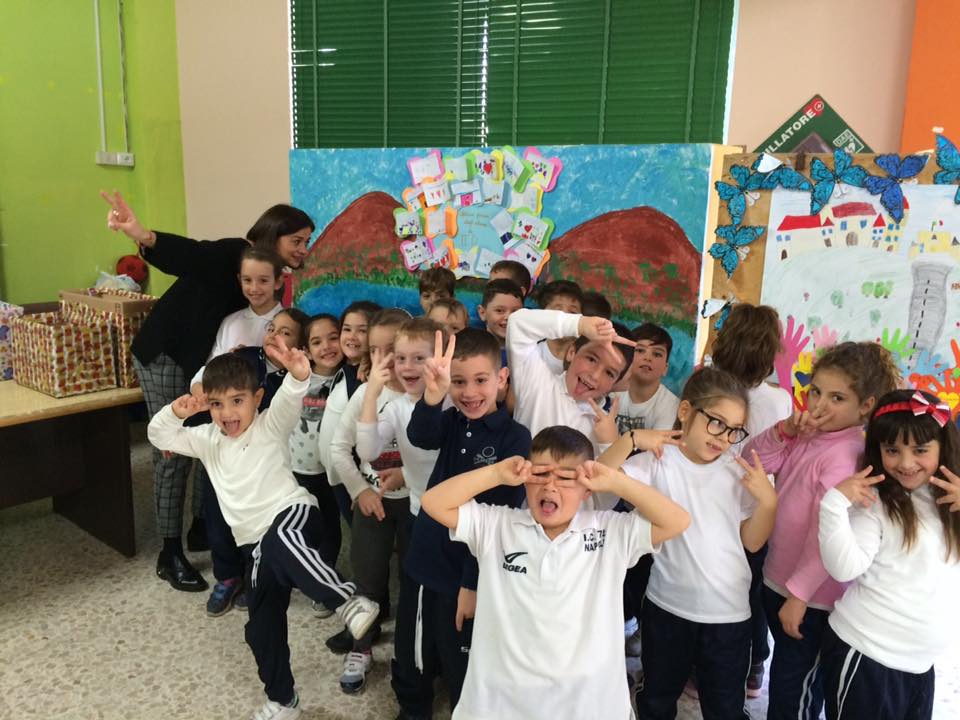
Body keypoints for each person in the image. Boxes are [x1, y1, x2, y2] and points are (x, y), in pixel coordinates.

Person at [146, 337, 379, 720]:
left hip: (293, 515)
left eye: (237, 400)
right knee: (260, 629)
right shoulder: (207, 440)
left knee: (280, 539)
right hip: (254, 546)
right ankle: (283, 700)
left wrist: (299, 373)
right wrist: (177, 410)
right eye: (217, 404)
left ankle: (346, 599)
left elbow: (291, 395)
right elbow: (159, 436)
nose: (227, 413)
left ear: (256, 398)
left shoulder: (270, 423)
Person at [102, 190, 314, 592]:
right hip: (167, 355)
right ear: (273, 235)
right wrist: (143, 236)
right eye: (297, 240)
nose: (304, 249)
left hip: (204, 366)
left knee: (216, 436)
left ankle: (201, 526)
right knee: (173, 452)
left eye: (307, 241)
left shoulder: (274, 284)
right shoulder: (237, 252)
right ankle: (169, 552)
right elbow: (192, 255)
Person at [420, 425, 690, 720]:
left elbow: (676, 521)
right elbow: (433, 502)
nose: (550, 486)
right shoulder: (497, 526)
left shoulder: (610, 531)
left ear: (588, 487)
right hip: (499, 704)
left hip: (589, 706)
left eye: (565, 478)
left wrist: (615, 481)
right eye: (540, 474)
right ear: (525, 478)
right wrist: (496, 473)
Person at [606, 367, 778, 720]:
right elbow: (600, 477)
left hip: (729, 615)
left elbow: (752, 541)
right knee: (657, 699)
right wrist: (631, 440)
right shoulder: (657, 461)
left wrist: (769, 503)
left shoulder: (737, 470)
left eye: (733, 430)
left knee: (725, 707)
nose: (724, 437)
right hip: (668, 608)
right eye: (716, 422)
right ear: (686, 411)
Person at [743, 341, 900, 720]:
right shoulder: (810, 434)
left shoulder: (848, 456)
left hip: (812, 600)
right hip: (780, 579)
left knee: (794, 692)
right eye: (815, 392)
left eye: (836, 398)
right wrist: (783, 431)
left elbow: (829, 534)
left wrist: (799, 595)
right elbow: (751, 461)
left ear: (865, 406)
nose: (819, 405)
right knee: (790, 679)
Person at [392, 328, 532, 719]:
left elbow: (498, 519)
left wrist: (471, 582)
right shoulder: (451, 420)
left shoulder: (516, 438)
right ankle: (413, 707)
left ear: (502, 379)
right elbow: (420, 436)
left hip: (470, 571)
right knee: (415, 648)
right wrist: (433, 395)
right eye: (459, 382)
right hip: (426, 559)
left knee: (461, 656)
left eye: (480, 380)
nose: (469, 392)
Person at [817, 389, 960, 720]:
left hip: (920, 666)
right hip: (866, 656)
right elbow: (844, 568)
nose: (906, 463)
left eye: (920, 450)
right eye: (892, 450)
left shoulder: (950, 500)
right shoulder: (876, 502)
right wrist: (834, 504)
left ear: (943, 447)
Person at [345, 317, 444, 693]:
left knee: (447, 600)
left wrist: (405, 471)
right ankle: (416, 677)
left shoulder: (456, 400)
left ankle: (444, 663)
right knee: (415, 597)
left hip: (458, 519)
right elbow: (368, 451)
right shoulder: (398, 407)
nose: (407, 366)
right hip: (422, 516)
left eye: (418, 358)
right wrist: (372, 393)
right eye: (400, 358)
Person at [193, 308, 310, 617]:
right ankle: (227, 576)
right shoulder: (243, 357)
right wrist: (197, 403)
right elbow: (204, 379)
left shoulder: (295, 375)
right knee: (219, 517)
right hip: (223, 456)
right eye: (272, 328)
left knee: (258, 524)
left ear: (299, 346)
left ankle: (253, 575)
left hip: (263, 466)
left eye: (285, 332)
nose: (274, 335)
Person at [709, 303, 793, 697]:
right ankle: (754, 665)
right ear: (771, 349)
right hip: (756, 510)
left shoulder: (709, 388)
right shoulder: (778, 400)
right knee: (751, 589)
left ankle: (718, 661)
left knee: (720, 584)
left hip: (715, 505)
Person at [327, 309, 413, 686]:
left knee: (414, 579)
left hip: (417, 504)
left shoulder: (429, 396)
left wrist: (408, 476)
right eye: (375, 351)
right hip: (372, 502)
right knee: (367, 577)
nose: (384, 360)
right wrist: (359, 489)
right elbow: (338, 448)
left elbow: (441, 456)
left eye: (392, 349)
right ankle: (361, 647)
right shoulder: (366, 393)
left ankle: (410, 648)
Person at [506, 307, 634, 467]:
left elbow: (606, 483)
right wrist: (579, 324)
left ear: (614, 384)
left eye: (609, 373)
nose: (595, 375)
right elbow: (517, 322)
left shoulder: (605, 427)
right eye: (591, 359)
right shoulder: (536, 381)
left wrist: (609, 445)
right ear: (571, 352)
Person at [317, 300, 382, 524]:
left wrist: (359, 486)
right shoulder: (347, 368)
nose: (352, 336)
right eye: (346, 329)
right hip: (338, 476)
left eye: (362, 330)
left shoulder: (368, 379)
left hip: (355, 478)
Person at [613, 322, 679, 434]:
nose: (648, 358)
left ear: (665, 368)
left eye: (657, 354)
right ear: (628, 358)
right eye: (640, 350)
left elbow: (658, 445)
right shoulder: (613, 391)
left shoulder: (671, 406)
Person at [533, 279, 584, 374]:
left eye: (573, 312)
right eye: (557, 311)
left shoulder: (584, 360)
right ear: (542, 314)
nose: (565, 317)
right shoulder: (531, 354)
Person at [477, 279, 524, 348]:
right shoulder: (471, 350)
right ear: (482, 313)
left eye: (515, 312)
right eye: (499, 310)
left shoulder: (531, 350)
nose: (508, 317)